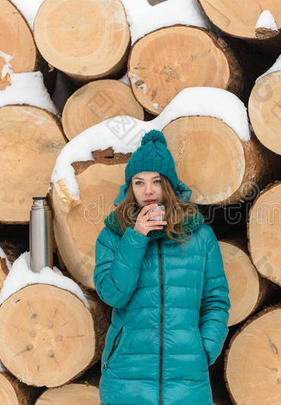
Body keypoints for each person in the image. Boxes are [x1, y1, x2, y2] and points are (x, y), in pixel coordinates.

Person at [94, 129, 231, 405]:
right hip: (126, 378)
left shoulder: (200, 236)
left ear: (168, 184)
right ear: (129, 188)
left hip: (187, 380)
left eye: (156, 181)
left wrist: (204, 350)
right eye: (139, 182)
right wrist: (136, 237)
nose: (148, 191)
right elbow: (112, 294)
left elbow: (216, 301)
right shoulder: (113, 235)